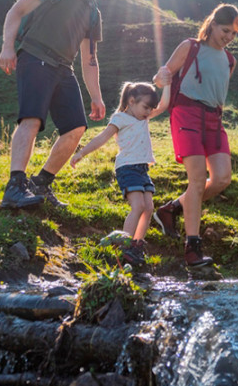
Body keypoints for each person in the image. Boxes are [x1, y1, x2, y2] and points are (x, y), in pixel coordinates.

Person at [0, 0, 124, 209]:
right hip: (35, 56)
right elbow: (17, 11)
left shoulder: (93, 12)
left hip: (63, 67)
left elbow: (90, 58)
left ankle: (41, 184)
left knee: (76, 128)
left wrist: (96, 97)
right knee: (32, 119)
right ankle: (15, 186)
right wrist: (7, 47)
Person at [152, 3, 238, 272]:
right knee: (198, 180)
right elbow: (163, 77)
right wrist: (160, 77)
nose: (229, 37)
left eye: (234, 33)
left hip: (214, 119)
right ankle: (193, 248)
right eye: (225, 30)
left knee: (222, 178)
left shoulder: (230, 60)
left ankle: (171, 209)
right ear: (212, 24)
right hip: (186, 113)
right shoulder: (190, 46)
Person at [69, 81, 171, 267]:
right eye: (145, 107)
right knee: (138, 205)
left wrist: (167, 83)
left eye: (150, 109)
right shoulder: (120, 119)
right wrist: (81, 153)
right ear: (131, 101)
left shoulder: (143, 118)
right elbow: (102, 137)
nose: (148, 112)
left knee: (148, 208)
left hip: (142, 169)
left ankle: (136, 246)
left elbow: (164, 106)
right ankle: (126, 246)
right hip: (127, 168)